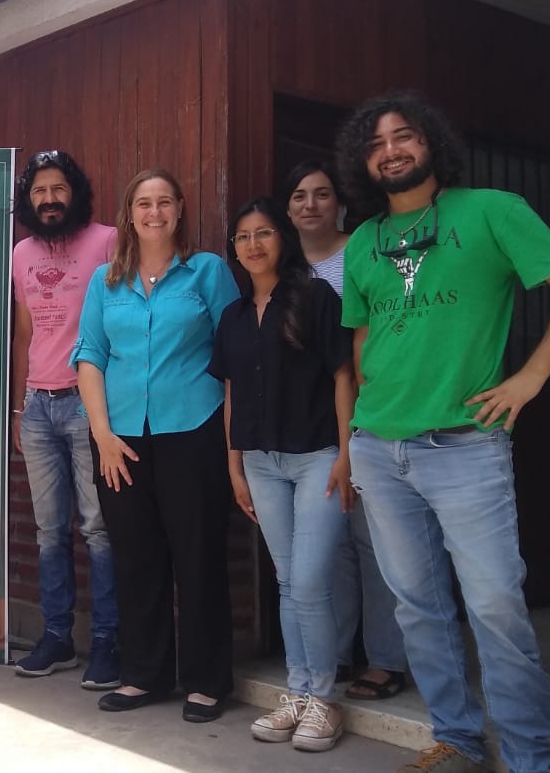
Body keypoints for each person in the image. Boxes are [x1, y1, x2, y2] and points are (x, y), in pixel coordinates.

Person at [335, 92, 550, 773]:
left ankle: (530, 757)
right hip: (380, 446)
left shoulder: (493, 210)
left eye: (404, 135)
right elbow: (363, 338)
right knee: (417, 607)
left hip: (464, 443)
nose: (391, 148)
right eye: (376, 143)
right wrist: (366, 418)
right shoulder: (363, 242)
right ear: (364, 161)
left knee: (493, 603)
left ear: (432, 144)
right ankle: (454, 737)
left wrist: (531, 377)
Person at [71, 167, 239, 722]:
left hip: (192, 431)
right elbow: (90, 356)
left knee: (198, 556)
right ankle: (144, 675)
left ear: (180, 208)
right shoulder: (106, 280)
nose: (155, 212)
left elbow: (234, 352)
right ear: (130, 212)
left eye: (165, 201)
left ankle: (206, 681)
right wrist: (102, 436)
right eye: (144, 202)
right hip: (120, 439)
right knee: (137, 558)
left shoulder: (207, 271)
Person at [210, 197, 353, 751]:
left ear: (282, 240)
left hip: (318, 455)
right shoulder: (234, 316)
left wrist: (347, 453)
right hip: (260, 463)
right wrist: (234, 463)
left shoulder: (316, 297)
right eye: (243, 237)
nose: (253, 245)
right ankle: (297, 693)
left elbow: (344, 376)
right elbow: (230, 392)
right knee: (288, 579)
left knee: (311, 581)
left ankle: (323, 698)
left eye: (263, 233)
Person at [284, 161, 408, 701]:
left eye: (321, 194)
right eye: (298, 196)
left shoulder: (363, 249)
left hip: (371, 411)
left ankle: (385, 659)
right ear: (287, 210)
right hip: (309, 426)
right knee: (327, 549)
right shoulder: (283, 268)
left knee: (374, 541)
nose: (310, 204)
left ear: (340, 203)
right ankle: (331, 655)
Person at [10, 151, 121, 689]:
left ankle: (108, 642)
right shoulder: (21, 253)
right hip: (37, 406)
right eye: (38, 191)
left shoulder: (106, 241)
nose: (49, 199)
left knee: (99, 529)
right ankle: (56, 638)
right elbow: (26, 333)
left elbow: (119, 325)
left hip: (88, 403)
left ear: (74, 192)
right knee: (50, 532)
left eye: (58, 188)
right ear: (28, 200)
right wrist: (18, 405)